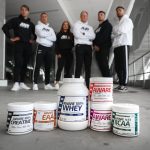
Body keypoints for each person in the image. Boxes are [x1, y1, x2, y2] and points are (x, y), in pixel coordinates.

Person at [2, 5, 36, 91]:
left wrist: (33, 40)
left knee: (25, 64)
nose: (24, 11)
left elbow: (36, 34)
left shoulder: (31, 24)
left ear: (28, 12)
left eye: (25, 10)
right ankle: (16, 83)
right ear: (20, 11)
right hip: (18, 45)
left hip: (27, 46)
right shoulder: (15, 20)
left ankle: (22, 83)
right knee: (18, 63)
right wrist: (11, 38)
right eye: (22, 10)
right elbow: (4, 27)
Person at [112, 6, 134, 92]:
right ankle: (120, 84)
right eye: (117, 11)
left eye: (120, 10)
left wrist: (116, 31)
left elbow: (122, 30)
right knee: (117, 67)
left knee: (124, 65)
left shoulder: (128, 20)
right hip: (117, 46)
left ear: (123, 11)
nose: (118, 12)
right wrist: (117, 31)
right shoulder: (117, 23)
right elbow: (113, 34)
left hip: (124, 45)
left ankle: (124, 85)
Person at [33, 12, 56, 91]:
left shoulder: (51, 29)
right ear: (40, 18)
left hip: (49, 48)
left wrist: (45, 35)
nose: (44, 18)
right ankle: (35, 83)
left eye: (45, 17)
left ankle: (47, 84)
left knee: (48, 67)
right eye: (42, 17)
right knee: (38, 65)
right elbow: (41, 34)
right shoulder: (37, 26)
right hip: (41, 47)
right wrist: (48, 35)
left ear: (47, 18)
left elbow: (54, 38)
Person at [73, 11, 95, 88]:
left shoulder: (90, 27)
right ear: (80, 16)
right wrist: (87, 36)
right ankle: (76, 85)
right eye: (83, 15)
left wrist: (83, 34)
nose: (84, 17)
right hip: (80, 46)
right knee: (79, 65)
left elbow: (93, 36)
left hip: (88, 47)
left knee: (88, 67)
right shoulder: (76, 25)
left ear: (87, 17)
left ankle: (88, 85)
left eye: (86, 16)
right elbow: (76, 35)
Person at [55, 21, 74, 90]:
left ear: (68, 26)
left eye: (67, 25)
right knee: (60, 68)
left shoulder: (71, 35)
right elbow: (56, 44)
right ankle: (57, 83)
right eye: (64, 24)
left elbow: (73, 44)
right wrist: (58, 53)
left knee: (68, 69)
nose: (65, 26)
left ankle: (67, 83)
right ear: (62, 26)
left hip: (69, 53)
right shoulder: (59, 34)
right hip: (61, 54)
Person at [93, 11, 112, 77]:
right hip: (97, 49)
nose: (100, 16)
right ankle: (105, 80)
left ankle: (108, 82)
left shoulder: (107, 25)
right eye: (99, 15)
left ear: (104, 16)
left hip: (104, 48)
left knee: (104, 65)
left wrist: (97, 45)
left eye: (101, 15)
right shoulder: (98, 28)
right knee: (100, 65)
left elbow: (104, 36)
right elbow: (94, 38)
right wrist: (94, 45)